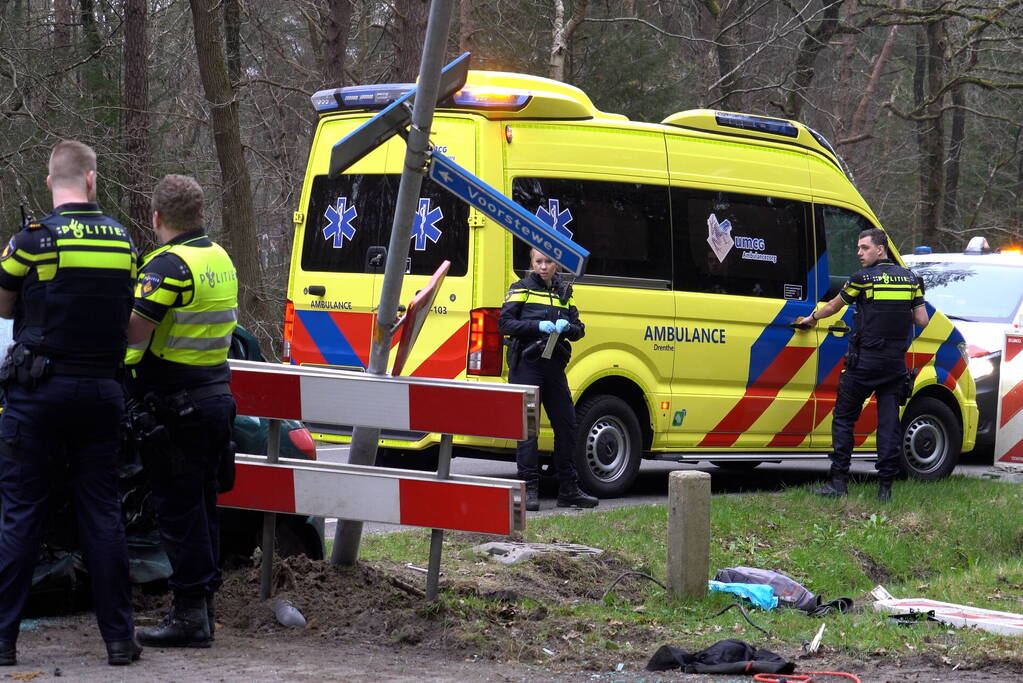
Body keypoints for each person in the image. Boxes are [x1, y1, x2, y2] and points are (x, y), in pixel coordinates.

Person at [0, 140, 141, 666]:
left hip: (39, 394)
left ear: (50, 183)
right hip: (103, 392)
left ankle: (3, 641)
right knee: (102, 515)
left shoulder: (31, 241)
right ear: (91, 180)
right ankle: (120, 642)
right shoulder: (123, 242)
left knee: (21, 515)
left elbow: (2, 302)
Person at [126, 174, 238, 649]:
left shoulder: (169, 266)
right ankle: (204, 605)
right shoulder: (220, 258)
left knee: (178, 512)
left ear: (157, 217)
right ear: (199, 214)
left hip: (176, 404)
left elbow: (133, 332)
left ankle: (190, 614)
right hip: (214, 397)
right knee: (202, 507)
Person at [794, 228, 928, 503]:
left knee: (844, 419)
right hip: (894, 366)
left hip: (864, 364)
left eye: (864, 248)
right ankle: (885, 489)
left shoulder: (862, 279)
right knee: (889, 425)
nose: (859, 253)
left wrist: (812, 318)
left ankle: (839, 482)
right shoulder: (912, 280)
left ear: (881, 249)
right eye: (858, 248)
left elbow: (834, 306)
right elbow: (922, 320)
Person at [499, 248, 598, 511]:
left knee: (567, 424)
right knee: (527, 429)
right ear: (531, 263)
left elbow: (579, 329)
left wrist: (569, 328)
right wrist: (536, 327)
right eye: (538, 262)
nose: (543, 266)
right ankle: (528, 489)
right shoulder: (521, 288)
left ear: (556, 265)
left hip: (553, 365)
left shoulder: (563, 292)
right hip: (527, 365)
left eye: (548, 262)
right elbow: (505, 324)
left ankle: (569, 489)